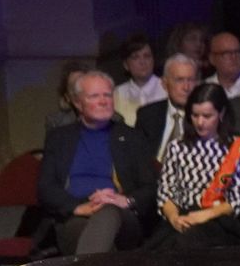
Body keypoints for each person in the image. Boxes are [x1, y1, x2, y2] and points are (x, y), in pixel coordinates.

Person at [38, 71, 154, 255]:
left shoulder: (133, 137)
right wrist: (78, 207)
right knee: (90, 236)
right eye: (94, 96)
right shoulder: (59, 138)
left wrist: (125, 200)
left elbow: (150, 187)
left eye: (107, 95)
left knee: (108, 211)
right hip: (74, 215)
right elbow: (46, 188)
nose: (103, 101)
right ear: (78, 103)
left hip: (122, 216)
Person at [148, 84, 240, 250]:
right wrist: (175, 218)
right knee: (156, 247)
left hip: (218, 220)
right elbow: (165, 193)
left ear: (222, 113)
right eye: (195, 115)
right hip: (181, 217)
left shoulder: (236, 148)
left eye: (207, 116)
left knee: (184, 243)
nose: (200, 122)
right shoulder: (177, 147)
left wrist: (203, 216)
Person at [135, 54, 202, 166]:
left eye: (191, 80)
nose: (186, 87)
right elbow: (137, 160)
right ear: (165, 84)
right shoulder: (147, 115)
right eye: (179, 80)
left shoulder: (205, 117)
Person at [112, 35, 164, 126]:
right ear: (126, 65)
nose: (142, 62)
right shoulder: (117, 94)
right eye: (135, 57)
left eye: (147, 56)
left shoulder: (167, 89)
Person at [206, 30, 240, 98]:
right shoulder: (205, 89)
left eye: (237, 52)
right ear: (212, 59)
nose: (234, 57)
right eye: (226, 53)